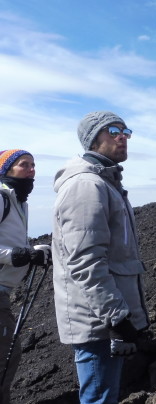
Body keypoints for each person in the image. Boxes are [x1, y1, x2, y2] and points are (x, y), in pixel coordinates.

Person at [52, 112, 149, 404]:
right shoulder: (86, 186)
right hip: (97, 324)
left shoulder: (105, 182)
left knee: (103, 394)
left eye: (126, 131)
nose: (123, 136)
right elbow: (85, 261)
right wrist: (118, 317)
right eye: (114, 130)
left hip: (103, 318)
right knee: (99, 398)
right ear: (93, 138)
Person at [0, 149, 51, 403]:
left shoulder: (17, 202)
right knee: (5, 356)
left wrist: (32, 252)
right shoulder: (2, 198)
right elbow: (10, 251)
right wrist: (18, 256)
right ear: (6, 170)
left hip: (3, 293)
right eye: (24, 164)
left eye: (33, 165)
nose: (31, 169)